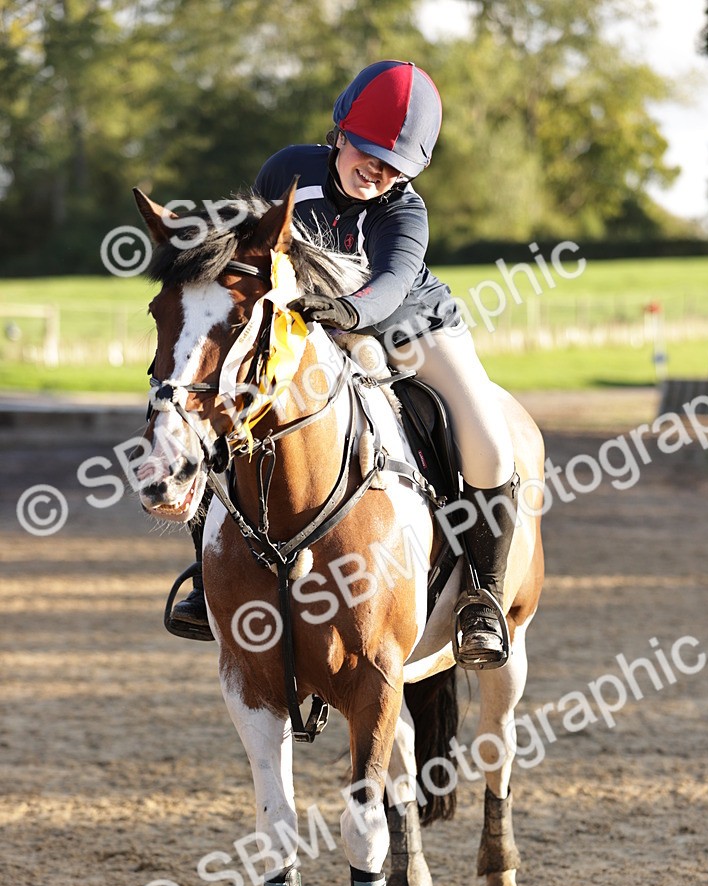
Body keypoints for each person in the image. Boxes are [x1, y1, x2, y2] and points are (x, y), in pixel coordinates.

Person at [169, 60, 518, 669]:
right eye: (368, 152)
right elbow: (257, 249)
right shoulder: (287, 170)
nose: (377, 172)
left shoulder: (406, 213)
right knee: (228, 413)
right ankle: (209, 577)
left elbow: (384, 292)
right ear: (339, 132)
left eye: (395, 166)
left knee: (489, 443)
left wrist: (327, 310)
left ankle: (481, 599)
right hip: (308, 329)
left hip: (411, 327)